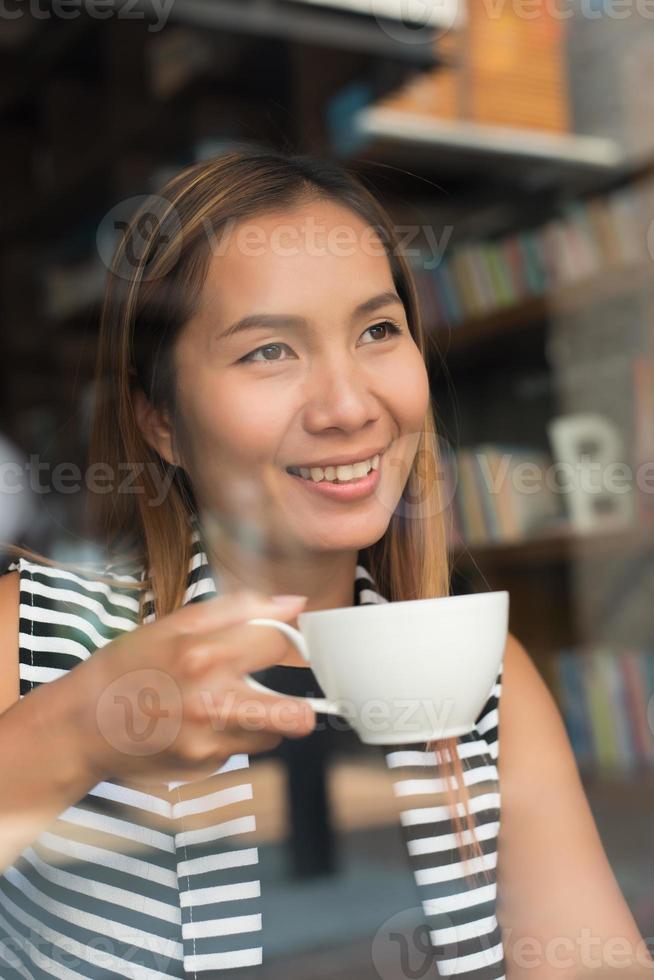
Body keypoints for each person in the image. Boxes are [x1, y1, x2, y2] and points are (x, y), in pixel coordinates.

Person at [0, 145, 650, 980]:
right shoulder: (34, 637)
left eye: (378, 331)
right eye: (269, 350)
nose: (348, 407)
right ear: (160, 420)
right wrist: (86, 730)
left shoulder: (486, 681)